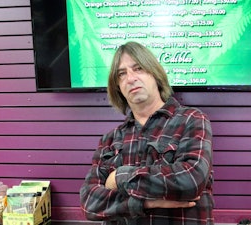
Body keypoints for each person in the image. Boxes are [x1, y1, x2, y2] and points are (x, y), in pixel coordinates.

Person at [79, 41, 214, 225]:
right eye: (121, 74)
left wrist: (120, 177)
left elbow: (191, 179)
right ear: (118, 86)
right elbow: (90, 203)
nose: (130, 78)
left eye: (138, 68)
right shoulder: (110, 140)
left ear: (155, 74)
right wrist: (146, 202)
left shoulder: (191, 119)